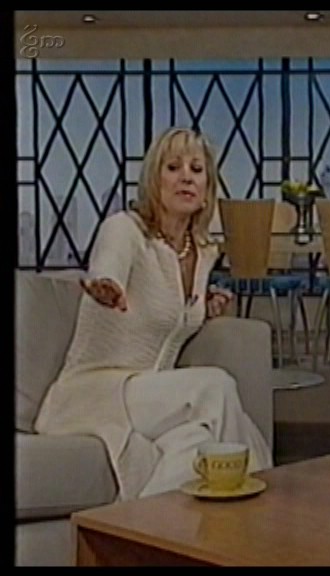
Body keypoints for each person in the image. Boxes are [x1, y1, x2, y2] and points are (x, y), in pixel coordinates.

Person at [34, 127, 273, 500]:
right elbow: (109, 264)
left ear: (207, 188)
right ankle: (259, 517)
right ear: (153, 180)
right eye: (173, 167)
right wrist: (106, 285)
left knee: (195, 443)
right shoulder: (125, 230)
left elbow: (171, 315)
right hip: (96, 393)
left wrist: (204, 309)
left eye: (196, 170)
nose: (186, 178)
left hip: (153, 398)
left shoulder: (203, 252)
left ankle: (138, 528)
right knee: (216, 388)